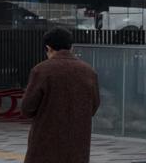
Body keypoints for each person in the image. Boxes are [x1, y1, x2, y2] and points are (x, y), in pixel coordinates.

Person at [20, 27, 101, 163]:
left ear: (48, 48)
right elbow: (94, 105)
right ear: (71, 47)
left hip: (45, 144)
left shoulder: (42, 70)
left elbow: (27, 108)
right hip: (78, 145)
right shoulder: (89, 72)